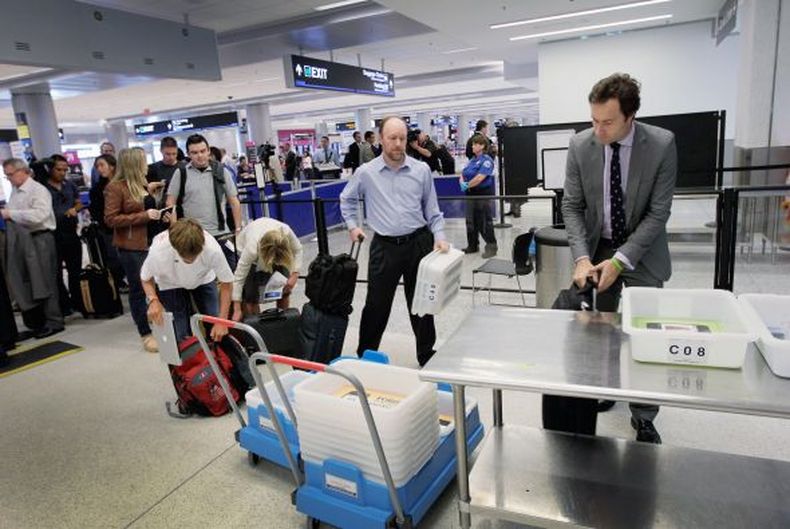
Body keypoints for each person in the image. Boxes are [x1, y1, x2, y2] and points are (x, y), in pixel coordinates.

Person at [562, 72, 677, 444]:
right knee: (601, 330)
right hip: (597, 248)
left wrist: (620, 261)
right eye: (594, 120)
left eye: (607, 122)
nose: (598, 129)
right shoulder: (580, 146)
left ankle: (643, 415)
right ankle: (607, 388)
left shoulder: (660, 145)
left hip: (642, 251)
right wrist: (582, 258)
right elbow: (573, 207)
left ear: (630, 116)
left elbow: (658, 214)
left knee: (645, 333)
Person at [340, 116, 449, 367]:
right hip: (384, 247)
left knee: (421, 302)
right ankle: (366, 355)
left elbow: (432, 210)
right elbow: (346, 199)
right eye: (392, 138)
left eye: (402, 138)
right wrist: (353, 226)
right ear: (380, 139)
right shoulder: (366, 173)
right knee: (376, 305)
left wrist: (440, 236)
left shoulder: (421, 170)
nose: (398, 143)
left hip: (418, 243)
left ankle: (426, 354)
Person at [105, 147, 165, 353]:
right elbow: (110, 219)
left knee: (158, 287)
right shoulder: (115, 188)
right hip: (132, 247)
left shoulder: (141, 183)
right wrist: (145, 216)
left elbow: (142, 205)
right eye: (143, 160)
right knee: (140, 290)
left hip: (152, 242)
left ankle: (161, 326)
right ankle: (145, 333)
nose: (146, 164)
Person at [141, 218, 234, 343]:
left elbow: (226, 283)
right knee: (179, 333)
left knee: (216, 323)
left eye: (195, 255)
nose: (191, 261)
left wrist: (223, 321)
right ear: (175, 248)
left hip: (203, 278)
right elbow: (145, 278)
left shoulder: (212, 249)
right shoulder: (158, 252)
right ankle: (188, 359)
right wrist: (153, 300)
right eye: (186, 257)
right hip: (170, 283)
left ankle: (218, 357)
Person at [1, 158, 64, 338]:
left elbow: (39, 215)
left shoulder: (38, 190)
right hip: (23, 240)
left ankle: (54, 321)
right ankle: (37, 323)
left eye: (10, 175)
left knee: (46, 279)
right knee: (30, 281)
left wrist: (10, 214)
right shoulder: (15, 192)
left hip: (40, 238)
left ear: (23, 171)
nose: (9, 179)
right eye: (7, 176)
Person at [166, 134, 242, 269]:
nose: (199, 156)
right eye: (194, 153)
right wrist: (176, 231)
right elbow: (170, 203)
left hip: (221, 235)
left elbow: (234, 201)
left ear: (208, 151)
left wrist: (238, 229)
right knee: (200, 282)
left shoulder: (221, 171)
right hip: (193, 238)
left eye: (202, 151)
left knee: (231, 278)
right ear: (188, 154)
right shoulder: (181, 173)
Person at [231, 217, 303, 320]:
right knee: (251, 297)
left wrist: (295, 274)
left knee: (285, 290)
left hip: (276, 248)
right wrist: (237, 309)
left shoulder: (286, 231)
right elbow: (238, 278)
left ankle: (284, 322)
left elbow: (298, 249)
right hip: (249, 251)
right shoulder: (251, 249)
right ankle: (256, 327)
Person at [45, 153, 83, 315]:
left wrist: (75, 209)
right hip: (53, 234)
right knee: (56, 273)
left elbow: (79, 202)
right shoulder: (43, 188)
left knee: (75, 270)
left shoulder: (69, 185)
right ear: (51, 169)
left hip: (71, 233)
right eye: (59, 169)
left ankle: (78, 302)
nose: (62, 173)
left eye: (65, 170)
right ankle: (63, 304)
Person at [88, 154, 127, 290]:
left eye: (102, 165)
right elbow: (95, 210)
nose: (100, 169)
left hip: (127, 225)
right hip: (108, 228)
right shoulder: (97, 189)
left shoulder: (124, 183)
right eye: (97, 166)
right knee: (113, 258)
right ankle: (118, 282)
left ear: (112, 166)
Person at [461, 135, 498, 258]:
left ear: (482, 146)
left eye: (475, 144)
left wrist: (467, 185)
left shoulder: (486, 160)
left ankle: (491, 246)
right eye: (472, 144)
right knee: (470, 221)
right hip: (470, 194)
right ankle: (472, 245)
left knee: (484, 221)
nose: (472, 146)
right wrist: (462, 182)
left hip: (482, 194)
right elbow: (463, 173)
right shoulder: (472, 160)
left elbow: (480, 177)